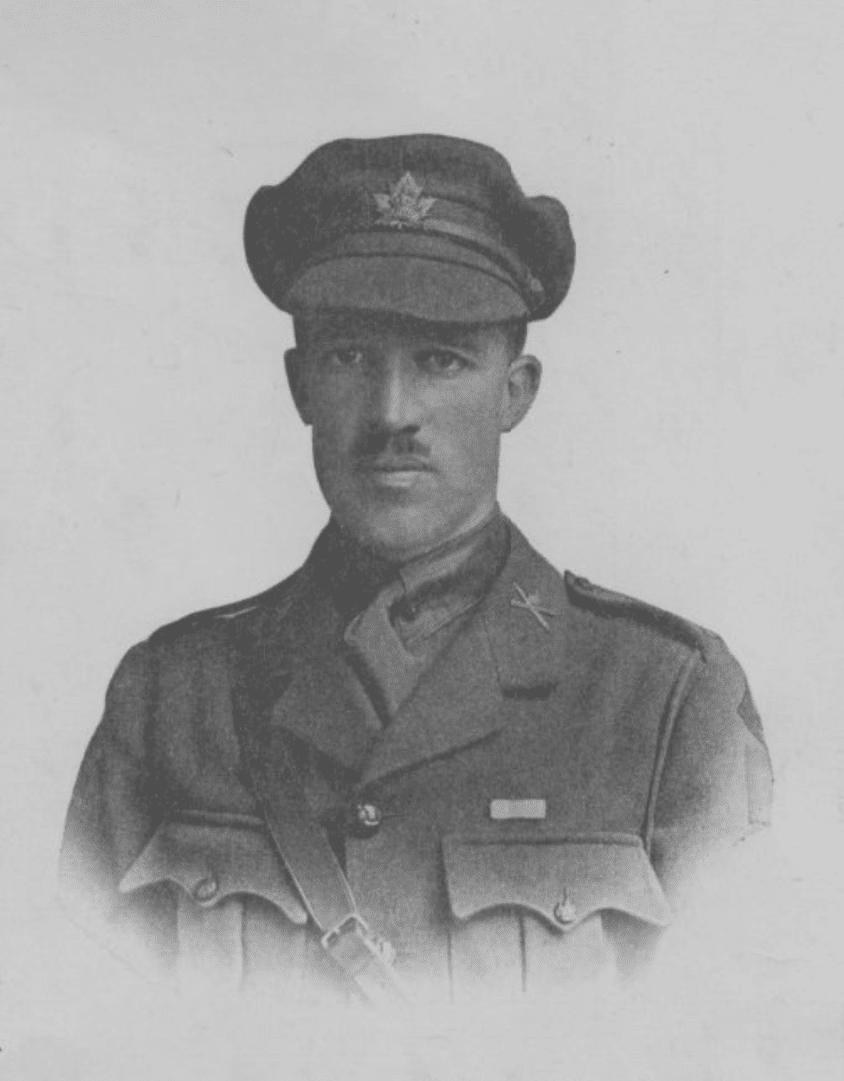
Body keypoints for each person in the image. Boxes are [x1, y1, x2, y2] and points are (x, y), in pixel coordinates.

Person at [60, 134, 772, 1008]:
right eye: (351, 357)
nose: (394, 413)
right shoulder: (170, 696)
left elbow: (739, 1041)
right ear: (298, 386)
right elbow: (73, 1027)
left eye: (441, 360)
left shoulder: (662, 697)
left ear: (517, 392)